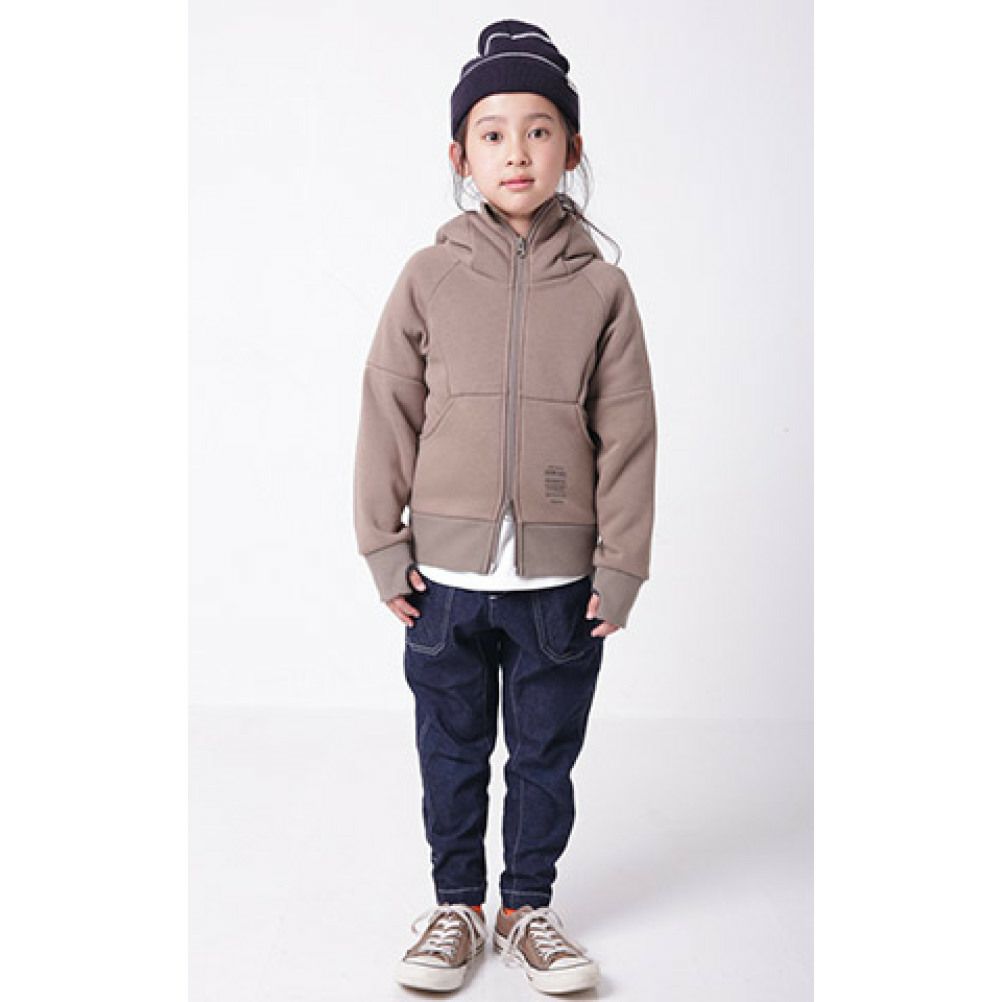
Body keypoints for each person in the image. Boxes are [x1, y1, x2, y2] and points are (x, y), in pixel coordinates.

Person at [352, 18, 657, 995]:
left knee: (542, 757)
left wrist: (622, 562)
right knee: (450, 748)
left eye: (538, 130)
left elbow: (630, 431)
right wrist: (381, 544)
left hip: (560, 582)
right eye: (492, 133)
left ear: (572, 147)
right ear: (461, 155)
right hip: (443, 576)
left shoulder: (603, 289)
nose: (516, 151)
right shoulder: (428, 276)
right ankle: (457, 907)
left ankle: (527, 908)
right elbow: (388, 408)